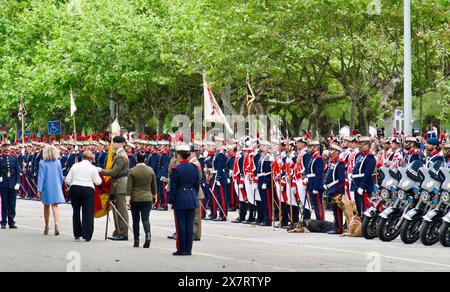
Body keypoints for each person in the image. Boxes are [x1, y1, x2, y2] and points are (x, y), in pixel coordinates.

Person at [169, 143, 200, 256]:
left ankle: (181, 249)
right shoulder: (194, 168)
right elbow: (197, 184)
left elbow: (173, 186)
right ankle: (188, 249)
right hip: (191, 196)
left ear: (180, 156)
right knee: (189, 224)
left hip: (180, 197)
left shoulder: (176, 169)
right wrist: (193, 194)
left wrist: (171, 200)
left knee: (180, 225)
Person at [65, 151, 102, 241]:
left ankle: (77, 233)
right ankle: (87, 234)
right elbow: (98, 182)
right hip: (88, 189)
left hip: (75, 188)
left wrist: (75, 182)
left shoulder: (75, 166)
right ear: (91, 159)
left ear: (82, 157)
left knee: (76, 211)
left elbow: (68, 180)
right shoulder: (93, 168)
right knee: (88, 212)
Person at [99, 136, 130, 241]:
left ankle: (123, 233)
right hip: (116, 184)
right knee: (116, 209)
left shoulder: (121, 156)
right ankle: (118, 231)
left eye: (115, 143)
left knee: (121, 210)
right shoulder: (119, 155)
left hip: (120, 184)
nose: (112, 145)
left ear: (121, 143)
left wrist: (100, 170)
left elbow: (114, 172)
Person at [127, 152, 157, 248]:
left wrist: (127, 200)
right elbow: (154, 186)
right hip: (147, 198)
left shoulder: (132, 171)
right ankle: (148, 235)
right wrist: (154, 197)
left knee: (135, 220)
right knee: (145, 219)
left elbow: (129, 187)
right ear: (145, 159)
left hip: (135, 198)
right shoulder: (150, 170)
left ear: (136, 159)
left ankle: (136, 240)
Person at [37, 145, 66, 236]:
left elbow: (41, 177)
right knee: (55, 205)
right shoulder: (58, 162)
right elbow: (61, 176)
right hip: (56, 186)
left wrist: (39, 189)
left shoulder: (42, 163)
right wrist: (59, 185)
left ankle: (46, 226)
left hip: (46, 186)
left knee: (46, 206)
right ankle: (56, 224)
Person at [0, 142, 21, 229]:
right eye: (5, 146)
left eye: (8, 146)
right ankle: (4, 222)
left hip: (12, 183)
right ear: (2, 148)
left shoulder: (14, 158)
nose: (7, 148)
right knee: (4, 203)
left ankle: (11, 222)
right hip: (3, 182)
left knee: (12, 204)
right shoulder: (0, 158)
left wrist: (18, 183)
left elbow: (17, 172)